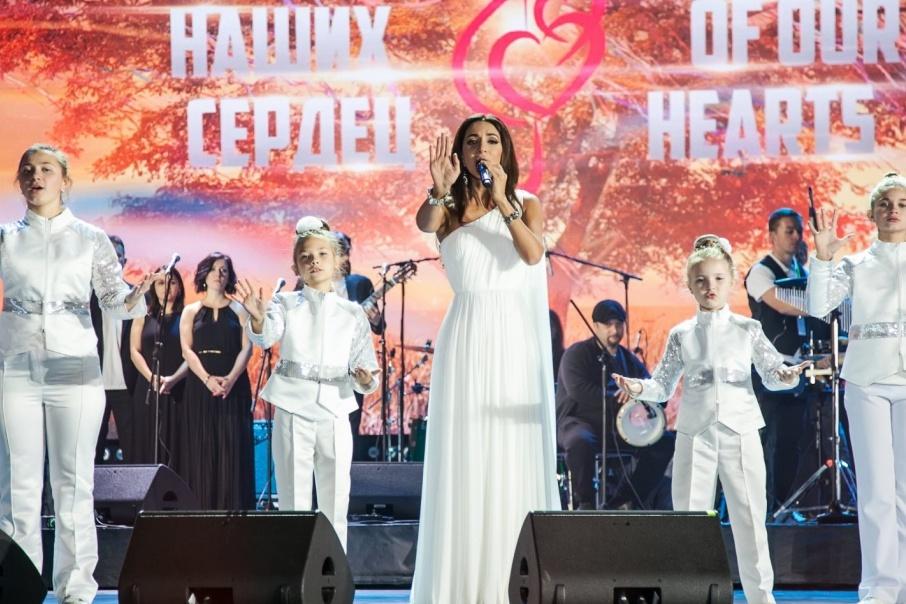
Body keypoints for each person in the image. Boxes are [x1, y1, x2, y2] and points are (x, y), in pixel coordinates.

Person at [410, 114, 560, 603]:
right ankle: (462, 584)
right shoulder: (449, 207)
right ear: (460, 151)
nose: (482, 148)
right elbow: (425, 223)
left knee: (509, 452)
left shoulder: (526, 202)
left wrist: (501, 200)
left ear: (504, 151)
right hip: (466, 336)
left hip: (513, 339)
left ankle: (510, 579)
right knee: (466, 454)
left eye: (492, 141)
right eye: (473, 141)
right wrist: (439, 189)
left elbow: (532, 255)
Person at [614, 235, 808, 604]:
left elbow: (772, 373)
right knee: (689, 522)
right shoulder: (682, 334)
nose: (710, 287)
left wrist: (786, 375)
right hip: (695, 434)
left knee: (750, 519)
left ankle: (761, 598)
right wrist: (637, 387)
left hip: (741, 431)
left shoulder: (748, 329)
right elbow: (662, 385)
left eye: (718, 279)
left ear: (731, 280)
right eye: (701, 280)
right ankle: (688, 596)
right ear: (690, 285)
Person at [0, 144, 152, 603]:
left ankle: (76, 590)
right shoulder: (6, 237)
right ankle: (19, 587)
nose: (36, 177)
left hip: (75, 368)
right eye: (28, 170)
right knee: (18, 485)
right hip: (16, 366)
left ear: (65, 181)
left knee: (73, 483)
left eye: (46, 169)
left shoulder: (90, 237)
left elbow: (113, 300)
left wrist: (134, 298)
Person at [235, 216, 379, 548]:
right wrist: (258, 319)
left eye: (322, 254)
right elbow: (266, 336)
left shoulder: (352, 312)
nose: (314, 261)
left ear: (338, 260)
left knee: (336, 500)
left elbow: (367, 370)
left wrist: (364, 378)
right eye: (306, 257)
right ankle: (293, 567)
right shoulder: (284, 303)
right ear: (296, 267)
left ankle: (333, 568)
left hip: (335, 410)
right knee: (293, 500)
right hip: (293, 407)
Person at [807, 173, 906, 604]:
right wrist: (823, 258)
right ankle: (880, 589)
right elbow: (818, 306)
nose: (893, 210)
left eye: (902, 203)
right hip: (867, 381)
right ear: (871, 213)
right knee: (876, 492)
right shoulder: (856, 264)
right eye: (885, 203)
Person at [556, 299, 675, 510]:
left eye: (619, 324)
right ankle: (585, 504)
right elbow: (579, 391)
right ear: (595, 326)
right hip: (578, 421)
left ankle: (623, 500)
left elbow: (658, 394)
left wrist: (640, 392)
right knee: (580, 441)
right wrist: (616, 396)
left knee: (665, 441)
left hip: (618, 429)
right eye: (608, 324)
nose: (614, 330)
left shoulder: (627, 359)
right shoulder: (576, 354)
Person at [744, 208, 813, 512]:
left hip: (796, 367)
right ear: (772, 235)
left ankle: (783, 507)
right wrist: (821, 303)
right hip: (767, 369)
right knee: (764, 441)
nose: (796, 237)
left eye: (799, 231)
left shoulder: (801, 272)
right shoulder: (761, 272)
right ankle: (758, 507)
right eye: (789, 231)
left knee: (790, 442)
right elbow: (781, 304)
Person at [179, 252, 254, 509]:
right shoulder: (191, 311)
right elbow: (187, 351)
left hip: (234, 386)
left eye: (224, 270)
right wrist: (207, 379)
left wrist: (230, 379)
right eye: (213, 269)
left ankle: (234, 511)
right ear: (204, 274)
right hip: (200, 387)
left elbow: (247, 348)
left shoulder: (239, 310)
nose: (218, 274)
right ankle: (201, 509)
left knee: (232, 447)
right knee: (202, 446)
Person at [129, 268, 189, 467]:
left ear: (179, 287)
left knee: (176, 444)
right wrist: (151, 377)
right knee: (147, 442)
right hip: (147, 387)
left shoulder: (188, 316)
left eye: (172, 282)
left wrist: (173, 379)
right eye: (161, 283)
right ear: (153, 287)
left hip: (178, 388)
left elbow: (192, 355)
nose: (166, 287)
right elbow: (134, 351)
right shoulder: (143, 314)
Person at [333, 230, 384, 461]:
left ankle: (346, 477)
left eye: (344, 250)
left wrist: (375, 319)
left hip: (353, 365)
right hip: (319, 367)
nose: (341, 256)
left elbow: (378, 326)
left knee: (349, 424)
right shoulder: (308, 283)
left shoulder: (360, 283)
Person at [91, 234, 139, 463]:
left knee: (132, 448)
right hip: (95, 382)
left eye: (117, 256)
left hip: (127, 384)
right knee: (92, 449)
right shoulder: (87, 296)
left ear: (124, 261)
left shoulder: (136, 295)